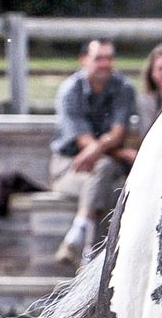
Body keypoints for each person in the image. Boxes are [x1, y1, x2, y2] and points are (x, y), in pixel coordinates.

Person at [50, 39, 136, 265]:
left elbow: (117, 133)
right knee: (108, 179)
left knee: (108, 176)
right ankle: (93, 258)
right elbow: (82, 141)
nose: (105, 64)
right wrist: (117, 152)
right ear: (84, 60)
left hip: (103, 169)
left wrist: (98, 149)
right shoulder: (70, 90)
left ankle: (78, 235)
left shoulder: (123, 88)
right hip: (69, 167)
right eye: (99, 58)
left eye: (109, 58)